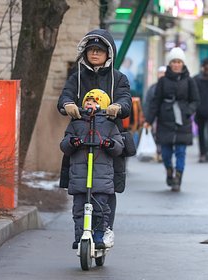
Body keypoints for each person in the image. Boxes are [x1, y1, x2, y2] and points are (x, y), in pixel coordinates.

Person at [57, 29, 132, 248]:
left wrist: (118, 107)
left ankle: (105, 229)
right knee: (80, 187)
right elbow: (65, 96)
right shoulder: (77, 76)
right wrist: (67, 105)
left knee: (107, 188)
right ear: (85, 53)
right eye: (91, 50)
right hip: (81, 137)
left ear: (109, 53)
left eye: (100, 50)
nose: (95, 54)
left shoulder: (118, 78)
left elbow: (125, 100)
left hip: (108, 137)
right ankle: (81, 231)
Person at [60, 89, 124, 250]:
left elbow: (118, 147)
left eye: (95, 101)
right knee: (79, 209)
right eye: (88, 101)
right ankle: (79, 235)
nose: (90, 104)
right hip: (80, 176)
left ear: (102, 105)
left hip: (101, 177)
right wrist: (72, 142)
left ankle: (98, 235)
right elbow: (65, 145)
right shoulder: (76, 124)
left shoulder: (109, 126)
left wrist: (110, 144)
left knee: (101, 208)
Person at [144, 47, 200, 192]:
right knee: (166, 152)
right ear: (170, 64)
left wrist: (188, 111)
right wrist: (149, 120)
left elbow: (195, 100)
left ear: (183, 63)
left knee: (181, 152)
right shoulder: (163, 82)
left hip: (182, 121)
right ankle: (169, 170)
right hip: (165, 120)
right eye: (174, 62)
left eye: (179, 62)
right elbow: (155, 102)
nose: (176, 64)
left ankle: (178, 178)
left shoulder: (189, 81)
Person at [143, 65, 167, 162]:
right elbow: (148, 103)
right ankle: (157, 152)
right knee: (154, 134)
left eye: (163, 73)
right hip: (154, 116)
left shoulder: (169, 87)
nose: (162, 75)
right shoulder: (153, 88)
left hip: (164, 117)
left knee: (163, 135)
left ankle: (162, 153)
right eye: (160, 73)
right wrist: (147, 117)